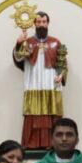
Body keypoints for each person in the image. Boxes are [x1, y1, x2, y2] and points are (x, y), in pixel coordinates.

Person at [13, 11, 68, 149]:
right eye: (38, 22)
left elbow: (62, 63)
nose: (41, 24)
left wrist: (61, 74)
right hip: (33, 82)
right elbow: (19, 58)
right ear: (34, 24)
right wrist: (19, 43)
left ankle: (53, 143)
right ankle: (30, 143)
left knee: (52, 112)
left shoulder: (55, 42)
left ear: (48, 23)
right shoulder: (28, 42)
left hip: (51, 82)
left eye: (44, 22)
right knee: (32, 112)